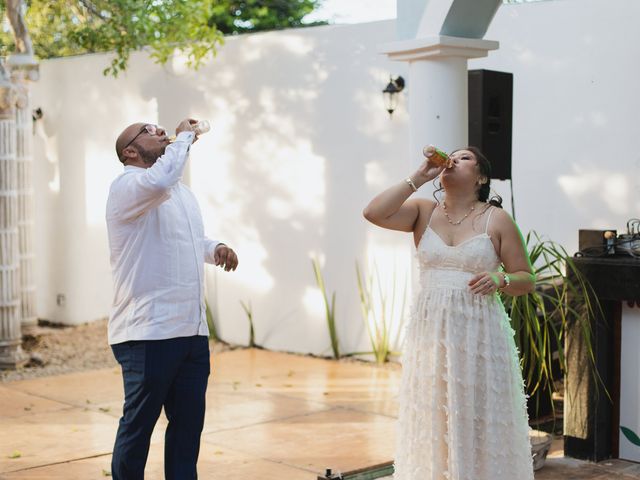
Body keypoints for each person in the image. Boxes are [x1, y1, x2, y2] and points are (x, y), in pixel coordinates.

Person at [363, 146, 535, 479]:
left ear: (481, 176)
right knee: (433, 417)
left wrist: (501, 278)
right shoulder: (423, 211)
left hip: (480, 337)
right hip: (431, 337)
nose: (453, 160)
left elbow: (526, 279)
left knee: (477, 419)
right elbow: (373, 213)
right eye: (451, 156)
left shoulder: (495, 218)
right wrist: (418, 176)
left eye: (465, 157)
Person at [106, 118, 238, 480]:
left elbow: (186, 241)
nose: (160, 131)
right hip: (147, 333)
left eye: (161, 128)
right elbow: (161, 178)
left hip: (191, 332)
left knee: (187, 431)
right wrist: (184, 136)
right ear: (130, 151)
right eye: (149, 130)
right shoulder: (129, 185)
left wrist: (216, 249)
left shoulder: (178, 192)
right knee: (138, 430)